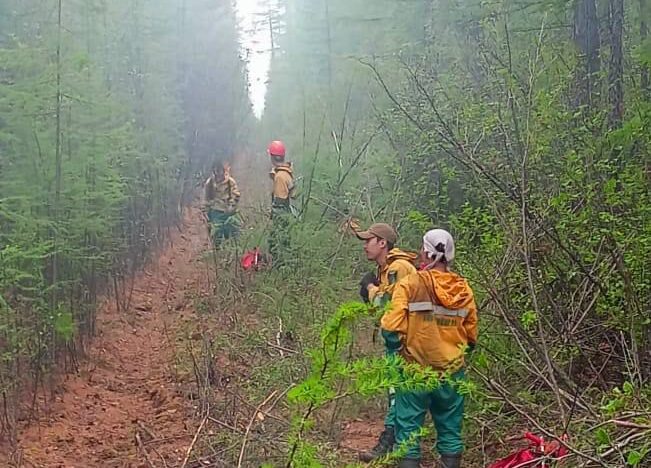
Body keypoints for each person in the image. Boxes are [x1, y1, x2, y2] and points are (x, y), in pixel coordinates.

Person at [380, 229, 478, 468]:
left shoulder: (410, 284)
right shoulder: (463, 290)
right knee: (451, 433)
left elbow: (390, 328)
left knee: (408, 433)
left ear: (425, 252)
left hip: (415, 371)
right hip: (452, 373)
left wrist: (400, 350)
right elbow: (472, 336)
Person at [356, 223, 417, 462]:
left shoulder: (399, 268)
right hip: (395, 341)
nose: (364, 246)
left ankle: (391, 445)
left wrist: (371, 289)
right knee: (396, 392)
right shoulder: (386, 269)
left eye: (368, 240)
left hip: (405, 342)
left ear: (382, 243)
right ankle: (396, 445)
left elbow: (391, 305)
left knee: (398, 393)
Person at [267, 140, 295, 264]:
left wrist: (273, 215)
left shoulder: (280, 177)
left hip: (282, 216)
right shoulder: (286, 173)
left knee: (276, 244)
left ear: (272, 157)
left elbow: (280, 203)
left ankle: (280, 267)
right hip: (289, 215)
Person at [203, 162, 241, 246]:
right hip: (215, 212)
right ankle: (217, 252)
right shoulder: (209, 183)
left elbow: (236, 195)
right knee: (217, 234)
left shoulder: (230, 182)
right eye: (216, 171)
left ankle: (233, 251)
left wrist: (231, 206)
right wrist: (206, 213)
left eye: (220, 171)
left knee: (234, 233)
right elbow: (206, 200)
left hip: (229, 212)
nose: (218, 174)